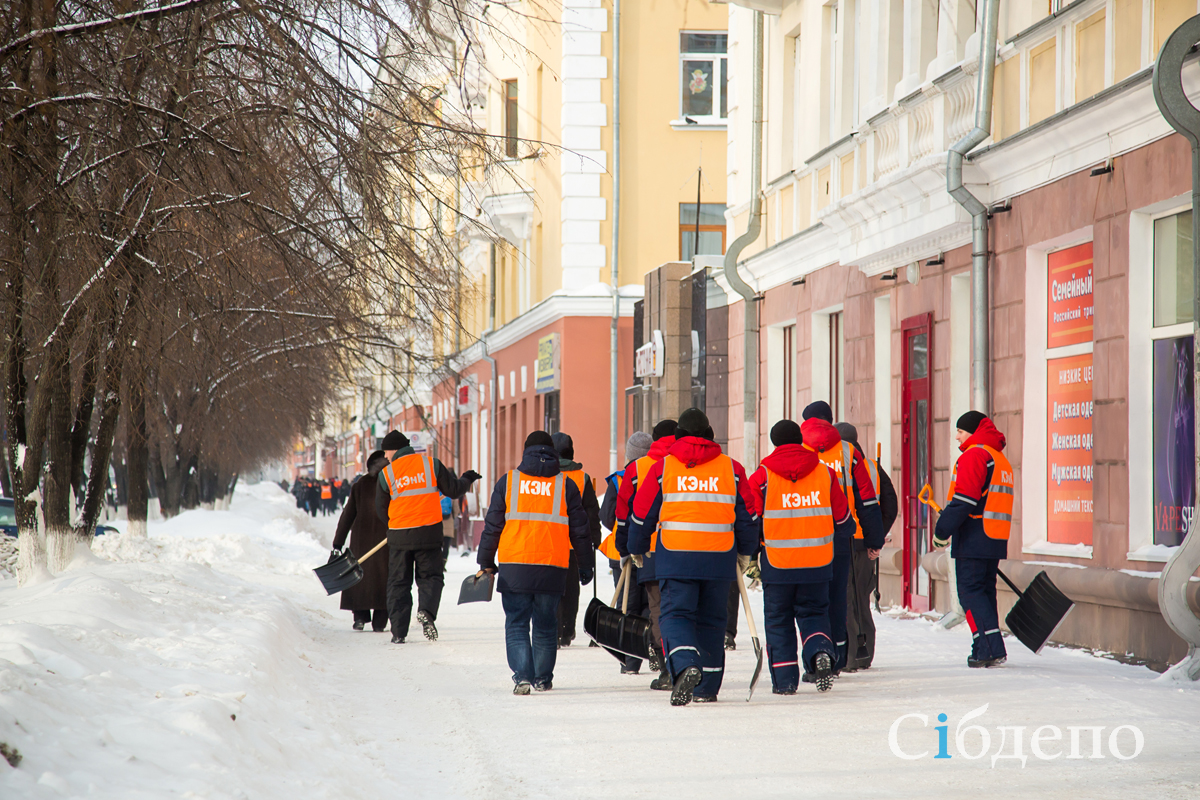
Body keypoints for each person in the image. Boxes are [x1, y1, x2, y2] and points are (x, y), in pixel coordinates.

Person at [627, 409, 759, 706]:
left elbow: (642, 513)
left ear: (678, 436)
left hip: (677, 557)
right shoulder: (732, 468)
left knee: (676, 615)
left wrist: (636, 547)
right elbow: (746, 516)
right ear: (709, 434)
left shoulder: (664, 468)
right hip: (718, 558)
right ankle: (707, 687)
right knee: (713, 621)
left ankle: (686, 664)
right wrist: (747, 553)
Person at [478, 431, 594, 694]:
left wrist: (485, 559)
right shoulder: (565, 485)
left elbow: (493, 526)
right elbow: (580, 530)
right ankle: (542, 678)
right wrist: (586, 565)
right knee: (545, 624)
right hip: (552, 566)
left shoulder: (508, 481)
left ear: (525, 451)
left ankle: (522, 676)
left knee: (517, 623)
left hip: (514, 566)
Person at [750, 421, 856, 694]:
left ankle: (785, 681)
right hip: (818, 563)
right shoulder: (824, 473)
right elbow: (843, 518)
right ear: (800, 440)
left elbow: (751, 517)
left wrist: (750, 552)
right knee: (814, 613)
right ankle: (820, 651)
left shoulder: (762, 477)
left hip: (778, 564)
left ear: (774, 442)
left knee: (779, 620)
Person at [800, 401, 884, 675]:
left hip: (808, 539)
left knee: (814, 601)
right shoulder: (850, 453)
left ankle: (819, 652)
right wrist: (875, 539)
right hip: (846, 536)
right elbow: (868, 502)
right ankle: (845, 655)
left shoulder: (798, 451)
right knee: (846, 598)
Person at [375, 430, 481, 644]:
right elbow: (453, 490)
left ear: (394, 449)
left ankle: (398, 632)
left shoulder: (386, 474)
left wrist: (395, 525)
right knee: (430, 577)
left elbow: (380, 509)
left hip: (399, 536)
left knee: (398, 583)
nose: (386, 456)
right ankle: (427, 612)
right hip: (429, 533)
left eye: (386, 451)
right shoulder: (431, 464)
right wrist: (467, 478)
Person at [933, 411, 1013, 668]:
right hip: (994, 535)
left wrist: (941, 530)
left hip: (974, 535)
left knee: (970, 593)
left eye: (960, 431)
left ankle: (989, 648)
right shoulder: (998, 458)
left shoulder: (975, 455)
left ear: (973, 432)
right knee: (985, 592)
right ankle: (986, 647)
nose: (957, 436)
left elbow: (965, 499)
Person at [615, 420, 677, 688]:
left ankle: (667, 668)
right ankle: (689, 663)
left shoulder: (637, 468)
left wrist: (625, 548)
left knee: (659, 611)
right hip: (688, 548)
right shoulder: (686, 464)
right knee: (684, 611)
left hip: (650, 551)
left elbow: (623, 514)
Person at [834, 422, 898, 671]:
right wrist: (877, 537)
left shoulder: (833, 464)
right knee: (861, 597)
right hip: (865, 545)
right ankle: (864, 653)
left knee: (845, 598)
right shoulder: (872, 466)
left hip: (842, 540)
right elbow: (890, 505)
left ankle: (848, 656)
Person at [598, 430, 653, 671]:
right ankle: (653, 653)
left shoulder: (620, 479)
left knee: (627, 605)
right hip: (651, 551)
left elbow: (607, 516)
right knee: (650, 604)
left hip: (622, 554)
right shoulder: (659, 473)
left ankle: (630, 662)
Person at [550, 432, 602, 647]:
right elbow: (591, 512)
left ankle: (553, 628)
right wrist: (595, 539)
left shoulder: (544, 475)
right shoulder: (582, 478)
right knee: (571, 589)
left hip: (550, 542)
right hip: (574, 544)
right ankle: (567, 631)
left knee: (552, 588)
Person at [331, 451, 391, 632]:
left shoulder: (360, 486)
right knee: (384, 578)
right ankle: (380, 622)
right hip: (385, 542)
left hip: (361, 541)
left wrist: (337, 543)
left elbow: (347, 515)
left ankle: (359, 617)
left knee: (360, 576)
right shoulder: (392, 485)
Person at [440, 493, 455, 567]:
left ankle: (438, 563)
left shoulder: (436, 493)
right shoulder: (451, 492)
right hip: (448, 523)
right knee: (446, 546)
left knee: (438, 546)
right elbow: (456, 509)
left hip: (438, 523)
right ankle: (444, 562)